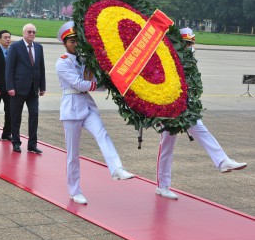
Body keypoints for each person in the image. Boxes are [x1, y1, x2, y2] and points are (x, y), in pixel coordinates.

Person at [155, 27, 247, 199]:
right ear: (179, 42)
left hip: (185, 107)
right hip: (167, 108)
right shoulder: (166, 57)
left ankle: (222, 161)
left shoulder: (189, 57)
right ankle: (162, 185)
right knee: (167, 146)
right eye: (187, 43)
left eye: (191, 42)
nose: (190, 46)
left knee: (201, 129)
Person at [56, 21, 134, 205]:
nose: (75, 44)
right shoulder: (62, 62)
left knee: (102, 134)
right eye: (72, 41)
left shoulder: (85, 59)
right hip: (72, 108)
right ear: (65, 43)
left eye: (77, 41)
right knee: (73, 154)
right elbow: (80, 84)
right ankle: (75, 191)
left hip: (87, 106)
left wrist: (111, 80)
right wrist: (100, 85)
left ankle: (117, 168)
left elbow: (95, 78)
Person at [6, 23, 45, 154]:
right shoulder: (15, 47)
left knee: (34, 115)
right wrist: (10, 86)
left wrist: (42, 86)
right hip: (18, 89)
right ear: (23, 33)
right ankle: (16, 142)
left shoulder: (39, 47)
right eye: (29, 32)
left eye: (34, 32)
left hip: (33, 89)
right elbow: (9, 68)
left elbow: (41, 68)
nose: (32, 34)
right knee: (16, 117)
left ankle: (32, 144)